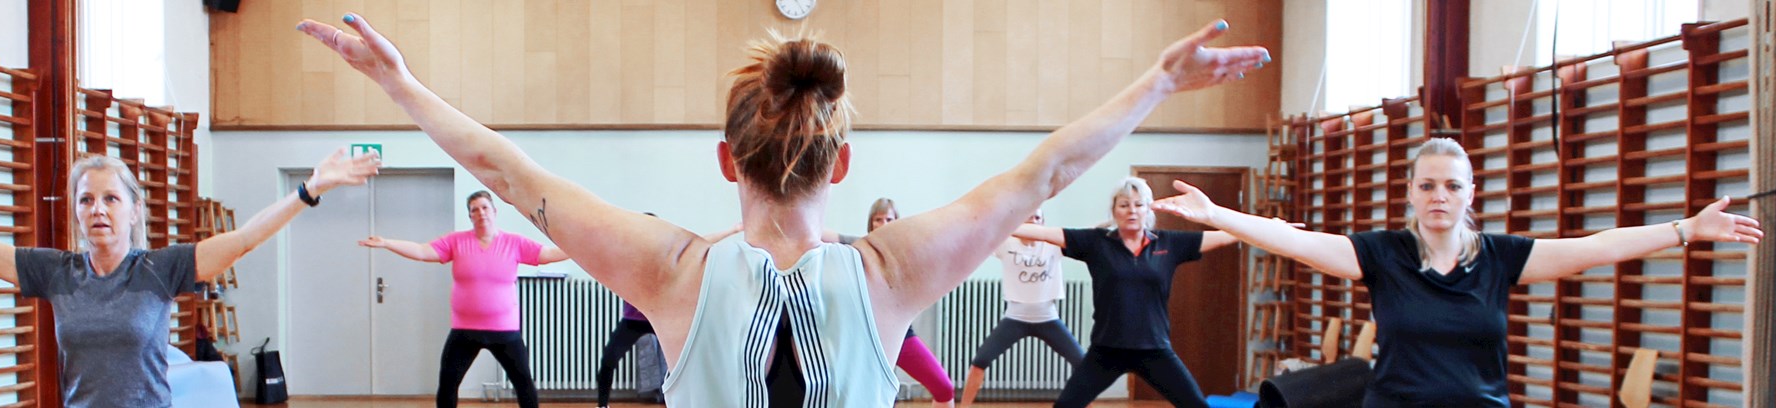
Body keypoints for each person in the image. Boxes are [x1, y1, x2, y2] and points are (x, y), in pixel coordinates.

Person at [300, 12, 1267, 406]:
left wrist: (404, 89)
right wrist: (1152, 84)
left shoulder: (676, 272)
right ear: (841, 163)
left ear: (726, 159)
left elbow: (510, 175)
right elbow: (1040, 175)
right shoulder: (890, 271)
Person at [1151, 137, 1763, 406]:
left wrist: (1686, 229)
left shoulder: (1501, 259)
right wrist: (1219, 216)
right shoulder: (1382, 255)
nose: (1438, 195)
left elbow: (1595, 246)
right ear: (1411, 194)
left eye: (1451, 185)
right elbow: (1291, 242)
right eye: (1427, 185)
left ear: (1470, 192)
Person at [0, 149, 379, 406]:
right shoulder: (55, 272)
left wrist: (309, 190)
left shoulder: (161, 270)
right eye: (87, 199)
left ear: (134, 210)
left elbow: (247, 237)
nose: (98, 209)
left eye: (111, 198)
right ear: (77, 212)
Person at [1008, 177, 1246, 408]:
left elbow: (1228, 236)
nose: (1132, 211)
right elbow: (1042, 233)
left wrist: (1269, 228)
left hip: (1155, 349)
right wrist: (993, 225)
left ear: (1147, 210)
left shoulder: (1168, 243)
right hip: (1107, 349)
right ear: (1114, 211)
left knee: (1196, 405)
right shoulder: (1096, 242)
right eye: (1124, 205)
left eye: (1138, 204)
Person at [358, 190, 572, 407]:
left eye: (485, 208)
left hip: (505, 330)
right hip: (465, 330)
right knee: (448, 383)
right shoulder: (456, 241)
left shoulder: (514, 243)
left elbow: (546, 255)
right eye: (475, 210)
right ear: (470, 216)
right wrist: (386, 243)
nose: (481, 213)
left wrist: (583, 248)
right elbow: (423, 251)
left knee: (524, 383)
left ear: (495, 212)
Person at [595, 215, 741, 408]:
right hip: (632, 322)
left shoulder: (663, 253)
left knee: (687, 363)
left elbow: (701, 243)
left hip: (661, 318)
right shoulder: (627, 252)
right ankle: (602, 405)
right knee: (608, 360)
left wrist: (732, 231)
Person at [829, 198, 955, 407]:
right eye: (879, 220)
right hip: (867, 338)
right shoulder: (859, 247)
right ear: (871, 224)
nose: (884, 224)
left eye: (889, 219)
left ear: (898, 222)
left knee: (944, 387)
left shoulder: (907, 253)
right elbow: (823, 235)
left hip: (901, 335)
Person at [957, 208, 1083, 407]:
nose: (1033, 220)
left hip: (1048, 318)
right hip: (1015, 319)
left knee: (1082, 363)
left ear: (1043, 223)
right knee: (980, 361)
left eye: (1038, 217)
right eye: (1029, 216)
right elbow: (980, 237)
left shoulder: (1053, 246)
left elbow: (1088, 236)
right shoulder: (1007, 244)